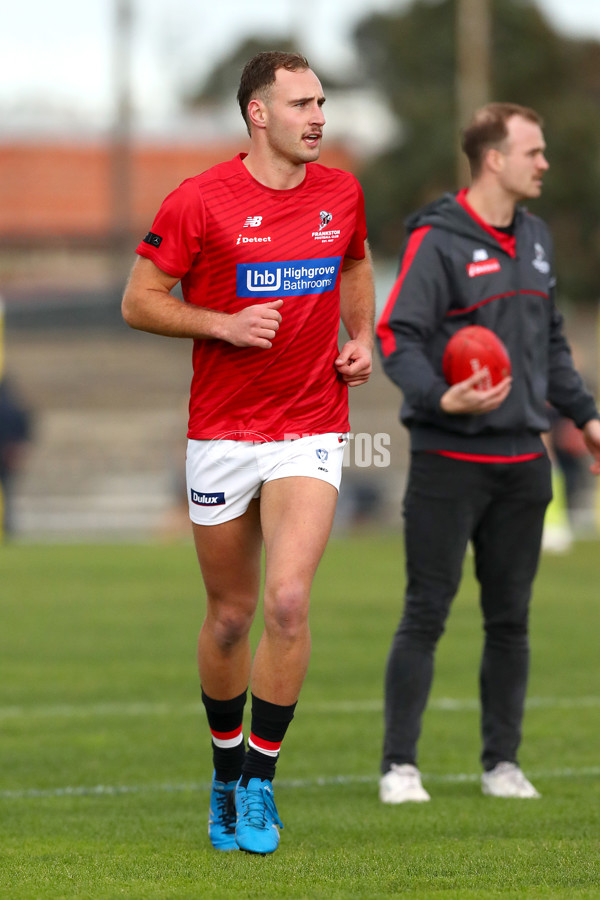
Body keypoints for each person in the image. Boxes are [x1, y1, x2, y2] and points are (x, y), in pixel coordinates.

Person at [122, 51, 374, 853]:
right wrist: (222, 324)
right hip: (223, 435)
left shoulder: (342, 192)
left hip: (311, 426)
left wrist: (360, 337)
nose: (318, 116)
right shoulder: (199, 200)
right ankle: (225, 772)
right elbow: (139, 300)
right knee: (230, 618)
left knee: (288, 602)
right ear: (257, 113)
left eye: (322, 101)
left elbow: (358, 261)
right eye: (301, 103)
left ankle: (260, 787)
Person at [375, 103, 600, 804]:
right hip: (449, 459)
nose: (544, 163)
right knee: (427, 611)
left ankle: (501, 762)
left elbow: (552, 345)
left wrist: (587, 415)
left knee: (511, 619)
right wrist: (441, 396)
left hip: (523, 463)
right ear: (494, 159)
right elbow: (394, 336)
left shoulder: (535, 238)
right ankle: (399, 767)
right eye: (532, 151)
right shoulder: (437, 241)